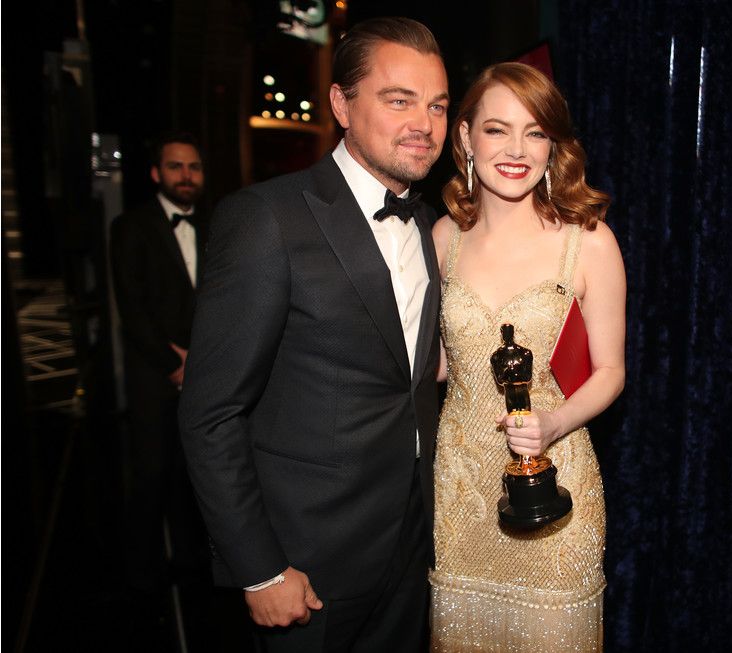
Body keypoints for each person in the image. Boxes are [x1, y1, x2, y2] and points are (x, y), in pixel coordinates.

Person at [178, 17, 448, 653]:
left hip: (412, 547)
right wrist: (260, 568)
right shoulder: (266, 218)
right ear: (341, 105)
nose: (424, 123)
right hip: (307, 560)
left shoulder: (432, 224)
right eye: (399, 100)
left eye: (437, 105)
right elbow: (211, 413)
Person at [429, 62, 626, 651]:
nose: (516, 150)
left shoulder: (588, 242)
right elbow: (436, 365)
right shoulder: (442, 239)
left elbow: (610, 371)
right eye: (497, 129)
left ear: (553, 146)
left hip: (558, 488)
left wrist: (555, 423)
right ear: (466, 137)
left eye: (535, 132)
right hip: (461, 492)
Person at [109, 130, 209, 599]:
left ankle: (192, 564)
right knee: (150, 475)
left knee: (196, 474)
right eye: (175, 166)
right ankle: (142, 576)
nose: (186, 176)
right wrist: (173, 362)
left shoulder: (216, 224)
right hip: (154, 373)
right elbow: (131, 308)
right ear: (156, 174)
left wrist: (204, 360)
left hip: (206, 372)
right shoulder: (130, 227)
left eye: (193, 167)